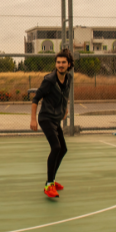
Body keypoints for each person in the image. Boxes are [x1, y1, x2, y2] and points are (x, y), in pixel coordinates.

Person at [30, 49, 73, 199]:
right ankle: (49, 185)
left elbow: (65, 94)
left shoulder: (69, 78)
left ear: (68, 64)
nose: (60, 65)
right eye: (58, 62)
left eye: (63, 62)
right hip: (45, 118)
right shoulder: (49, 80)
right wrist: (33, 119)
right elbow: (35, 99)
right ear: (55, 64)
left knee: (63, 149)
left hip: (55, 118)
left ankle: (52, 181)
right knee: (56, 147)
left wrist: (65, 108)